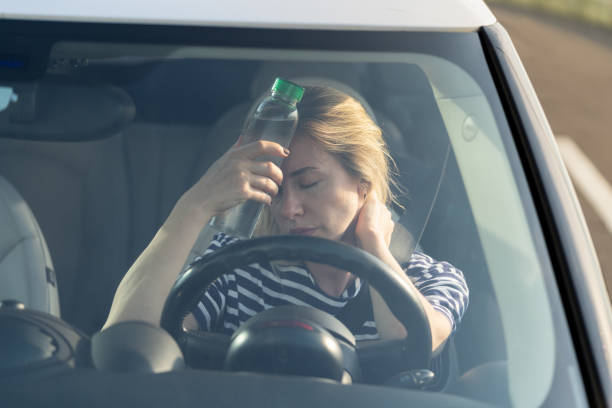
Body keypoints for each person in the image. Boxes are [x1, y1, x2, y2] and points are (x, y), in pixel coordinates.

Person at [104, 84, 468, 366]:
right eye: (275, 191)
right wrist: (194, 205)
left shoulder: (430, 278)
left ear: (363, 184)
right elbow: (128, 340)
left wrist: (374, 244)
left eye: (309, 183)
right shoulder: (234, 267)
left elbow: (411, 341)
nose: (289, 208)